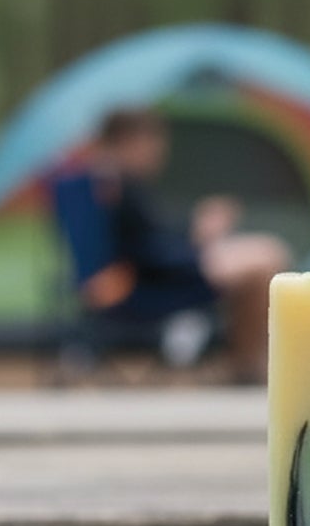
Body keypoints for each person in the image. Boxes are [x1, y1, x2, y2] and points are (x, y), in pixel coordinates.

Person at [84, 107, 288, 382]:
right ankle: (245, 367)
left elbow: (149, 235)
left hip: (156, 273)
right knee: (264, 260)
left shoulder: (103, 181)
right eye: (152, 143)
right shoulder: (116, 186)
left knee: (264, 254)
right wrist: (200, 253)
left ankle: (245, 364)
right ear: (128, 141)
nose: (158, 152)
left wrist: (197, 229)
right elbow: (148, 252)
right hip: (149, 286)